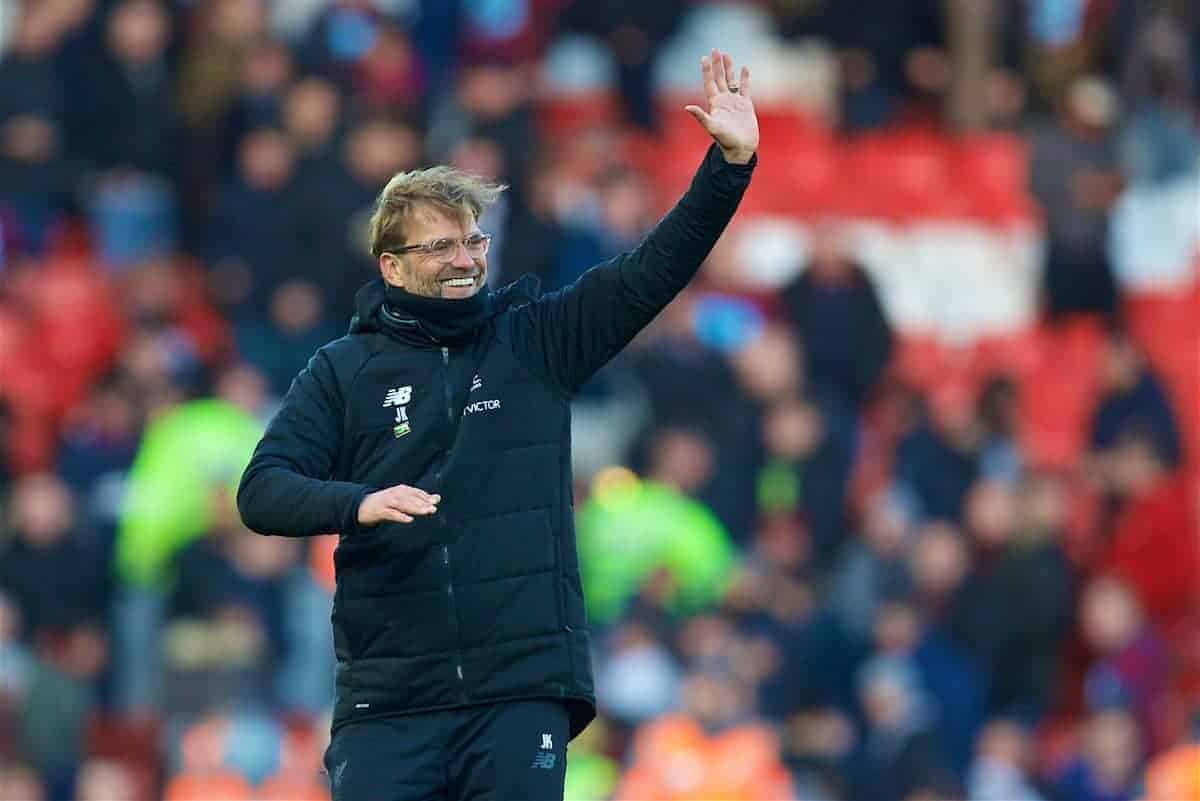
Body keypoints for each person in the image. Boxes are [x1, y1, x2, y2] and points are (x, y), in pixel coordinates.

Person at [236, 49, 758, 801]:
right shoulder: (342, 370)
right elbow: (262, 490)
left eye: (472, 240)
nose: (464, 258)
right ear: (390, 265)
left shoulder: (536, 340)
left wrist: (728, 167)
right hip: (390, 702)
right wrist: (356, 502)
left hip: (519, 694)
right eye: (440, 244)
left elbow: (651, 271)